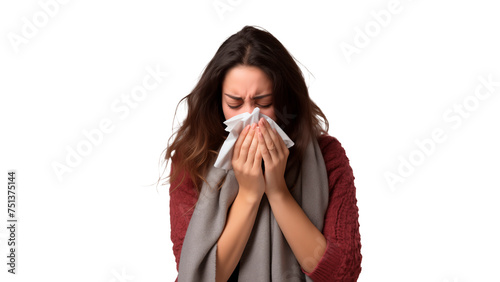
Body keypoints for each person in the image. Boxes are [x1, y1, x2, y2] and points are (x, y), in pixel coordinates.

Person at [160, 25, 362, 281]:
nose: (250, 116)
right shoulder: (191, 159)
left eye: (264, 103)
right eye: (234, 103)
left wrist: (277, 191)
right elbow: (196, 275)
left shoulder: (328, 157)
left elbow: (342, 275)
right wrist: (248, 195)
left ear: (284, 99)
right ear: (217, 100)